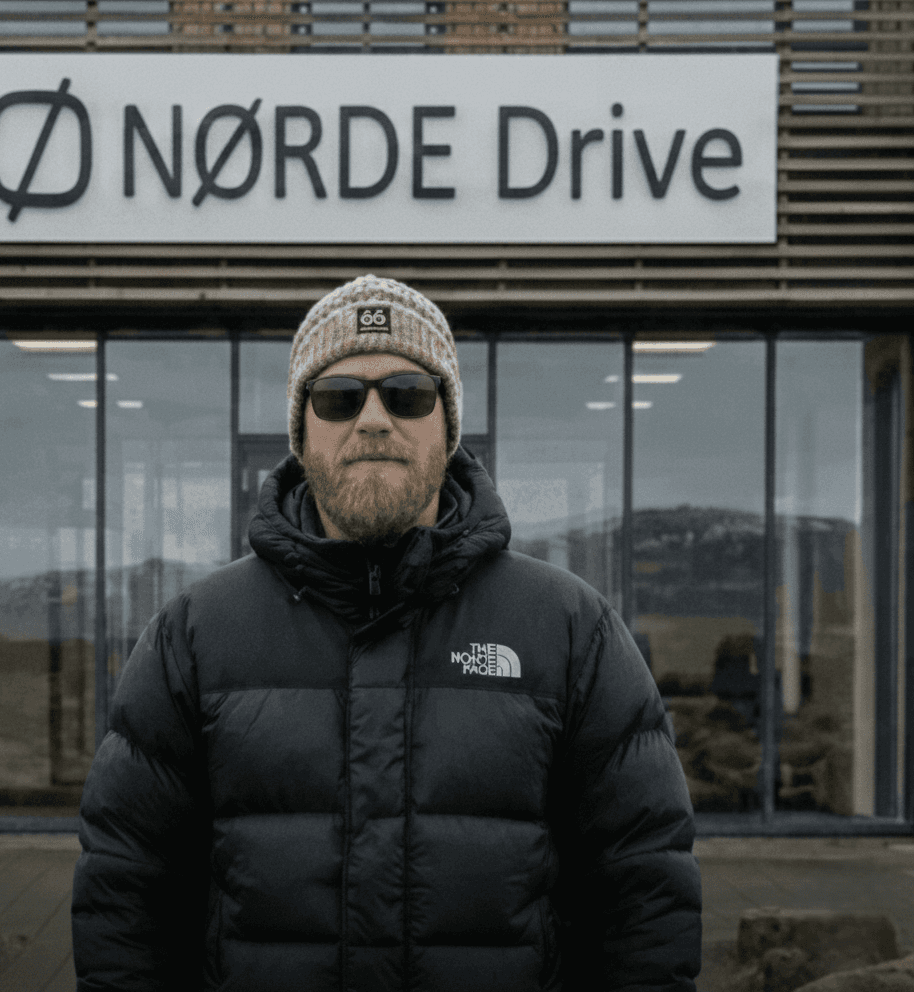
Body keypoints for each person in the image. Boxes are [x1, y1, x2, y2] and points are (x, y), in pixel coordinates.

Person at [71, 274, 702, 991]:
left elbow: (644, 888)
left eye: (407, 394)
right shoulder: (194, 635)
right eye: (340, 397)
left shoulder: (569, 629)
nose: (373, 419)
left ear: (448, 426)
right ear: (302, 430)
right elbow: (126, 889)